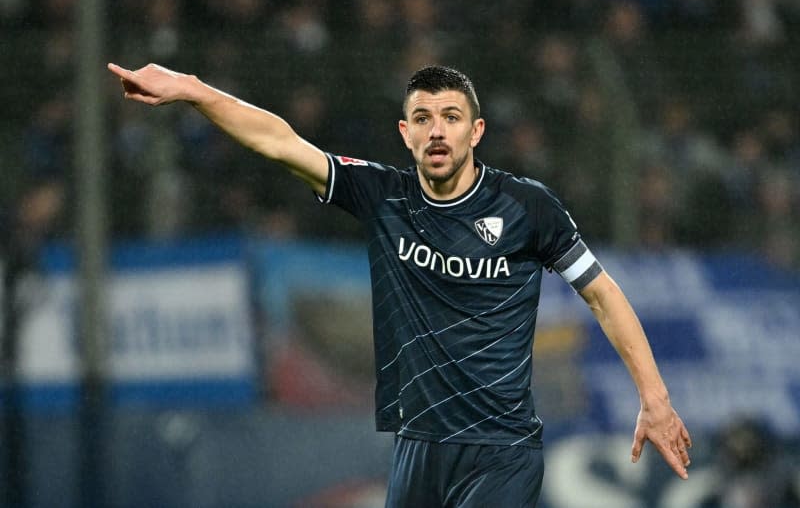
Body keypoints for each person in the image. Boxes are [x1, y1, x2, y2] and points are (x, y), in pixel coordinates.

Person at [108, 62, 692, 507]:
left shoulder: (526, 207)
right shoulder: (384, 197)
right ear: (405, 133)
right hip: (415, 445)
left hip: (502, 449)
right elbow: (280, 141)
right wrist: (193, 89)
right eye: (422, 119)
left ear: (476, 131)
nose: (437, 132)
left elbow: (602, 293)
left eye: (451, 118)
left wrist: (656, 398)